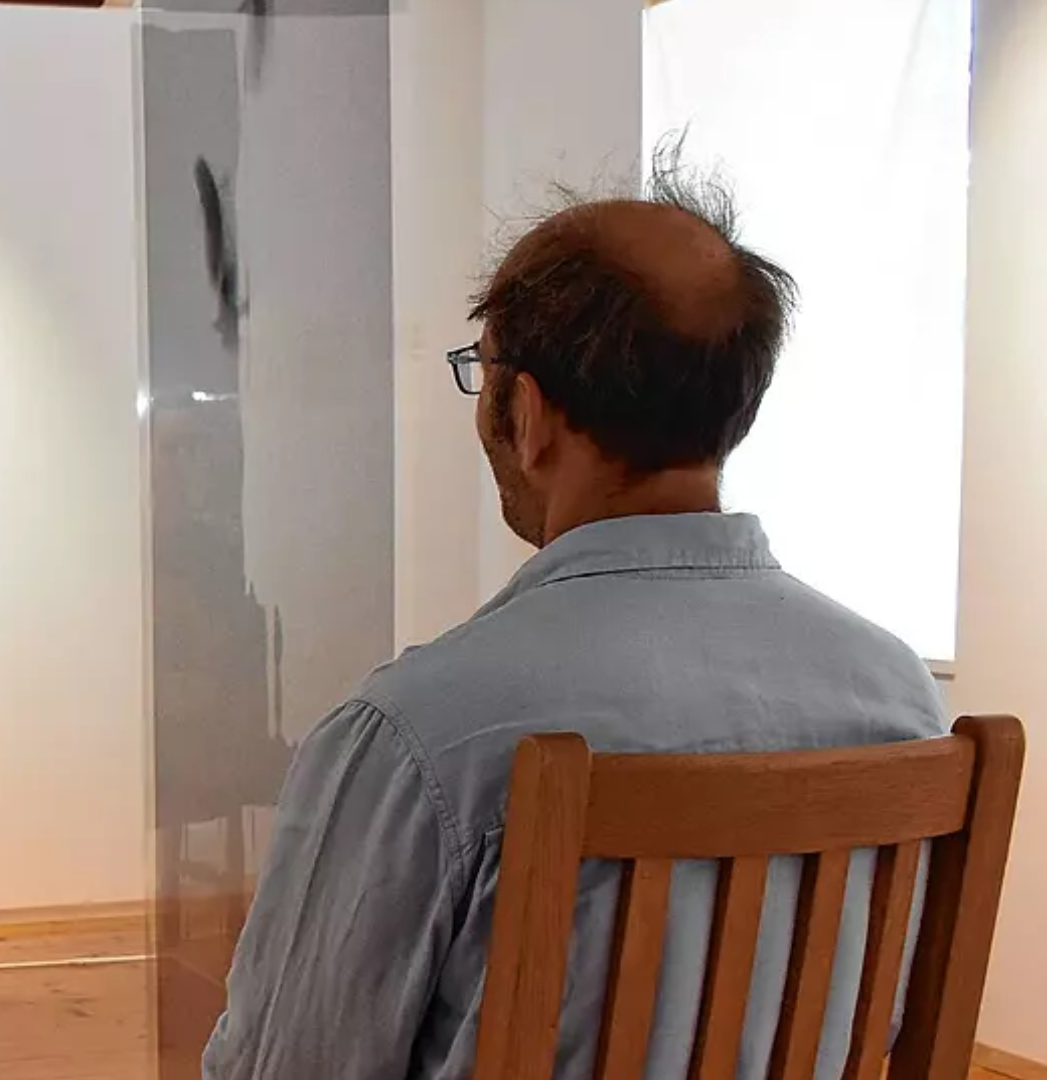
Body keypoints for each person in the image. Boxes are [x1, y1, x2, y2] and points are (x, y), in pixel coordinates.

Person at [201, 151, 948, 1080]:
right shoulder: (898, 697)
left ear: (527, 409)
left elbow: (287, 1067)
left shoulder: (421, 733)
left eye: (486, 373)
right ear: (737, 405)